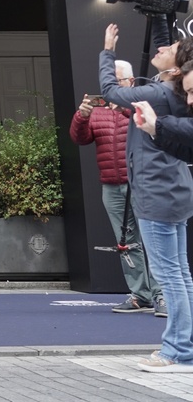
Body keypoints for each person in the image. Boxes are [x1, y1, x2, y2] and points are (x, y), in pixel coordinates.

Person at [100, 21, 193, 372]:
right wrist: (159, 16)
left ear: (174, 66)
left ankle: (176, 350)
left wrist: (107, 50)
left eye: (166, 49)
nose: (160, 49)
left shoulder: (160, 93)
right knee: (180, 274)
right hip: (174, 191)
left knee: (171, 276)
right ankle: (184, 346)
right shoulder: (170, 89)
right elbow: (166, 48)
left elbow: (109, 90)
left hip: (157, 193)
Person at [70, 60, 160, 315]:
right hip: (111, 186)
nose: (110, 87)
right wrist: (82, 116)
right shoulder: (98, 112)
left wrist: (122, 108)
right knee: (126, 243)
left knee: (151, 239)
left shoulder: (140, 104)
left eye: (116, 81)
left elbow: (152, 131)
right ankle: (139, 295)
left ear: (130, 82)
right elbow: (80, 138)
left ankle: (162, 295)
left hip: (140, 184)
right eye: (107, 83)